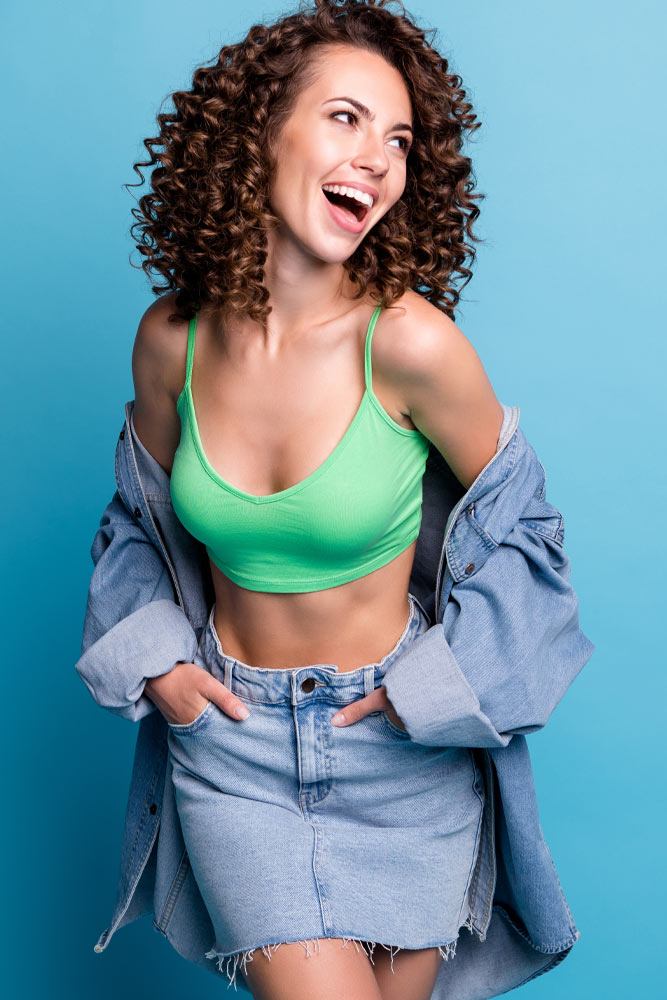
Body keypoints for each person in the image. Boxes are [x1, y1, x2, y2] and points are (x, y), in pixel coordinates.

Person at [77, 2, 595, 998]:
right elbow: (135, 521)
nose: (378, 158)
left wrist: (431, 690)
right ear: (258, 130)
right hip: (234, 749)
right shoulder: (170, 343)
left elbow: (523, 532)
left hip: (399, 747)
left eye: (399, 139)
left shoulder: (410, 345)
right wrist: (160, 668)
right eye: (347, 119)